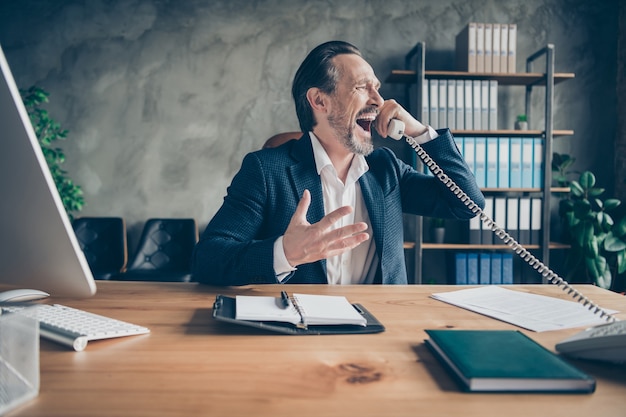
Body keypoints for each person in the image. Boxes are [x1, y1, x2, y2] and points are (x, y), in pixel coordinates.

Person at [192, 40, 484, 285]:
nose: (379, 101)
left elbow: (468, 204)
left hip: (381, 330)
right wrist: (285, 253)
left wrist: (421, 133)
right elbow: (208, 260)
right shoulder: (266, 170)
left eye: (377, 87)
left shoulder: (386, 169)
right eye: (361, 87)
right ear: (319, 101)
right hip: (301, 332)